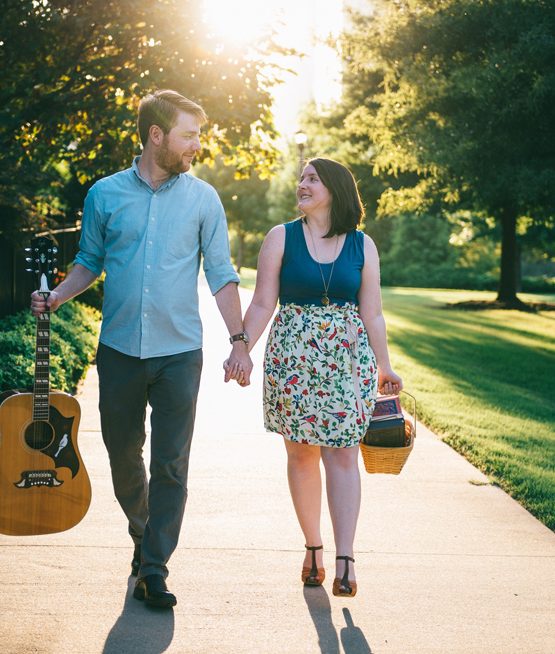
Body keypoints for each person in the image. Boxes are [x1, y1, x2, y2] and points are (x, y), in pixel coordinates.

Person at [31, 90, 253, 608]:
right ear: (157, 136)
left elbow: (221, 275)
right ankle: (143, 533)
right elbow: (90, 259)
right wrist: (58, 295)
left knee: (172, 463)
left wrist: (239, 340)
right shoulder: (105, 195)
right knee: (123, 454)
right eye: (189, 135)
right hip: (120, 349)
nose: (197, 146)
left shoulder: (204, 200)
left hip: (180, 352)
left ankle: (155, 566)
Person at [225, 157, 402, 597]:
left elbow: (372, 312)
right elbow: (264, 302)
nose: (301, 185)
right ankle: (313, 547)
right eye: (301, 178)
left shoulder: (363, 245)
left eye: (312, 179)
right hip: (293, 363)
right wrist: (242, 347)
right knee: (302, 455)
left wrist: (385, 365)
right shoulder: (280, 237)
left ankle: (346, 558)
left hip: (346, 363)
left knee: (342, 455)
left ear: (336, 190)